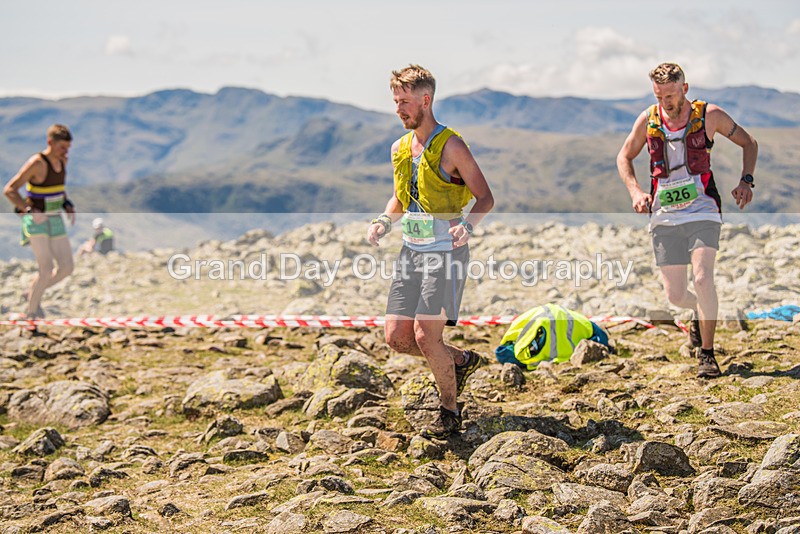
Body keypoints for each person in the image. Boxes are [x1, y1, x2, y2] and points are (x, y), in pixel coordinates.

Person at [367, 65, 494, 439]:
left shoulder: (452, 145)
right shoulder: (400, 148)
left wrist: (467, 225)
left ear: (425, 100)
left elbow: (485, 197)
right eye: (395, 102)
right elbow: (400, 198)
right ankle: (461, 360)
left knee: (425, 336)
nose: (398, 110)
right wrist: (383, 222)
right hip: (411, 251)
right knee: (397, 338)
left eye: (404, 102)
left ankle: (449, 411)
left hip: (446, 254)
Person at [616, 63, 758, 378]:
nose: (665, 102)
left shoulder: (710, 116)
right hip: (665, 216)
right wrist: (636, 191)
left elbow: (750, 143)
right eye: (659, 95)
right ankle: (697, 310)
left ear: (685, 88)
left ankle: (707, 354)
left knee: (704, 278)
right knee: (675, 295)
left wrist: (746, 181)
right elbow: (624, 157)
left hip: (703, 209)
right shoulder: (648, 119)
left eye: (670, 94)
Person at [3, 124, 76, 320]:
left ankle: (33, 293)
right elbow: (10, 189)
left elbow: (58, 187)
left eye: (68, 147)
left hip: (55, 218)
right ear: (50, 142)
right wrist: (28, 210)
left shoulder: (63, 161)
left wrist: (67, 203)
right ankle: (31, 313)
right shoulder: (37, 163)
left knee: (67, 267)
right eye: (62, 147)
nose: (66, 152)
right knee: (46, 269)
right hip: (37, 222)